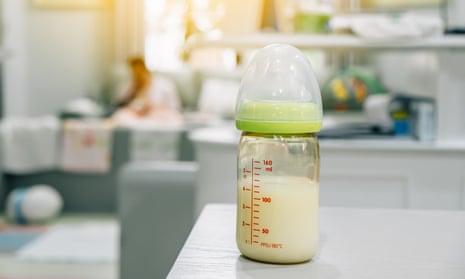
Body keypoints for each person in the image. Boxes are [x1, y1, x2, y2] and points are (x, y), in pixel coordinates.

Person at [112, 56, 183, 125]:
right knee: (120, 116)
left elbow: (175, 106)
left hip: (158, 114)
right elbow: (119, 104)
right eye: (135, 73)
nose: (138, 75)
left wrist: (153, 107)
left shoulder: (165, 85)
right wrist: (134, 92)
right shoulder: (129, 85)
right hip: (135, 116)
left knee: (171, 118)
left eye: (140, 71)